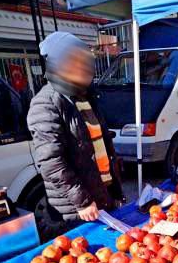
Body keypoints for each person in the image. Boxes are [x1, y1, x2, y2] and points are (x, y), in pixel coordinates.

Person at [27, 32, 124, 239]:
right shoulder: (45, 103)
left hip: (103, 193)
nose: (83, 70)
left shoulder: (86, 97)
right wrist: (82, 201)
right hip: (76, 209)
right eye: (75, 64)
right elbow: (51, 162)